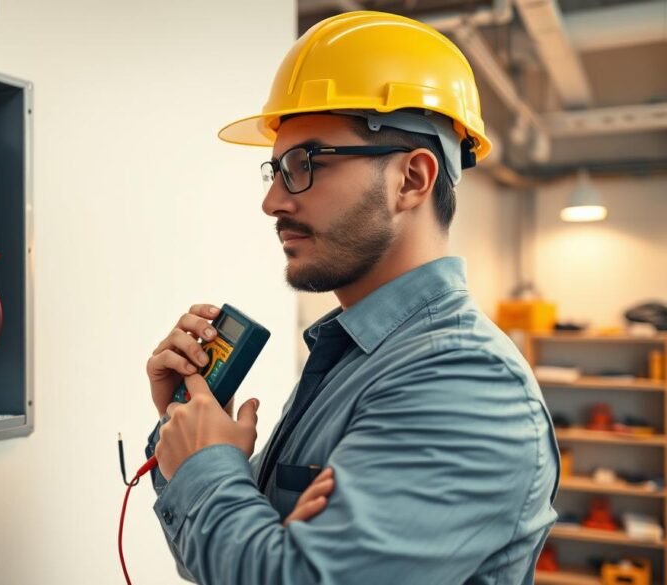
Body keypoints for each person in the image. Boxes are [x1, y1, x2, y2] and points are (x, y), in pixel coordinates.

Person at [144, 11, 559, 584]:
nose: (272, 201)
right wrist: (186, 432)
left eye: (304, 164)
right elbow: (222, 564)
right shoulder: (355, 357)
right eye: (274, 168)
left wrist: (208, 469)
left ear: (411, 179)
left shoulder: (462, 380)